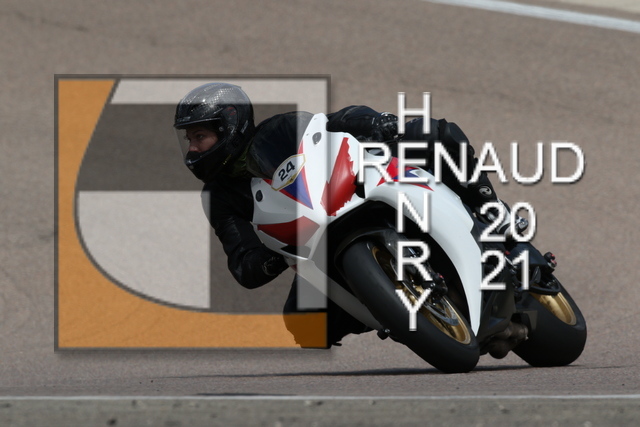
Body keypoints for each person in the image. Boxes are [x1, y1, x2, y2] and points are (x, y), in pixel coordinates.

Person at [174, 82, 524, 348]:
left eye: (199, 136)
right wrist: (277, 252)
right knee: (305, 327)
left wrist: (377, 123)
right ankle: (389, 307)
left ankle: (491, 211)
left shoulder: (279, 129)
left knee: (436, 133)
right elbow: (243, 266)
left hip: (348, 193)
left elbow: (333, 122)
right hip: (315, 247)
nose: (192, 149)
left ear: (228, 128)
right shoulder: (220, 197)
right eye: (188, 139)